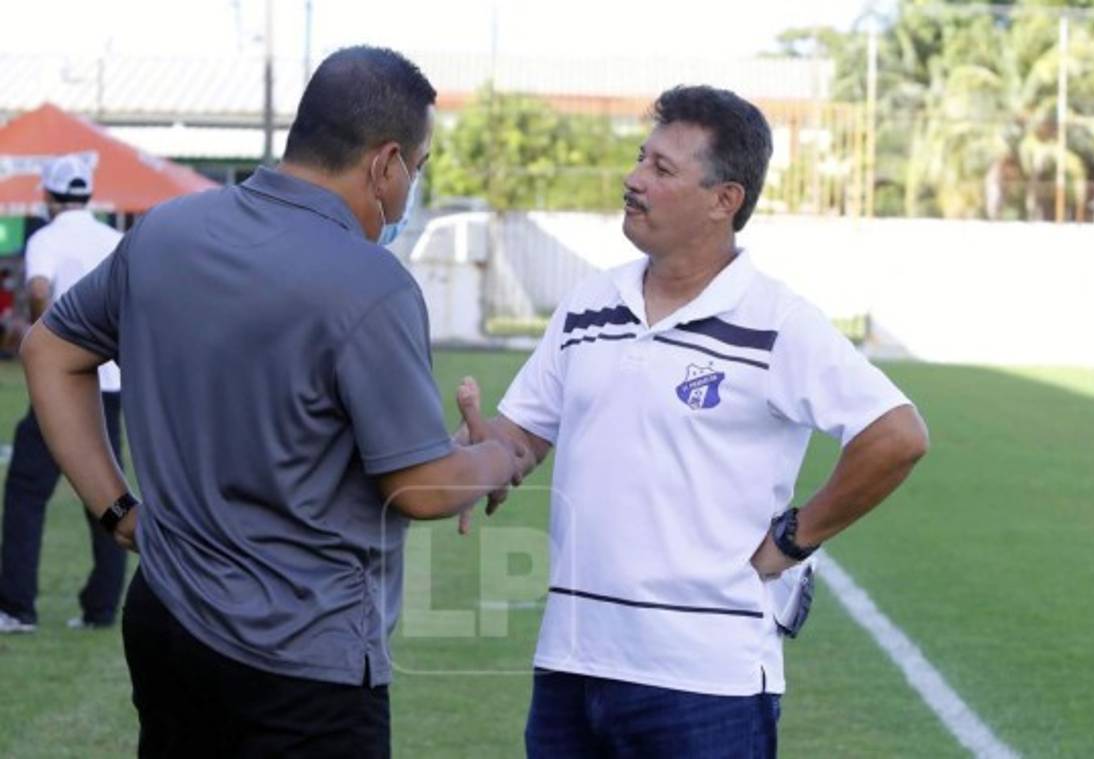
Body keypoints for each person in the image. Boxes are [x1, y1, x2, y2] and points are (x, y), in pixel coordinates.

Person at [20, 46, 521, 757]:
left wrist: (116, 510)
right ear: (384, 164)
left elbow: (49, 350)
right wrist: (496, 455)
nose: (412, 185)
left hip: (167, 617)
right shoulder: (370, 283)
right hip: (300, 656)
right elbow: (419, 484)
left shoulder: (164, 232)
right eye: (419, 164)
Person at [465, 85, 930, 757]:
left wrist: (794, 541)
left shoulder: (776, 322)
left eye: (661, 169)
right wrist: (476, 456)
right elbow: (520, 436)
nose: (634, 179)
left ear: (724, 200)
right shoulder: (588, 305)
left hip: (705, 683)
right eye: (639, 159)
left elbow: (897, 434)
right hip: (572, 661)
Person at [0, 155, 127, 633]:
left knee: (27, 492)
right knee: (108, 492)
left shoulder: (46, 239)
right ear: (89, 194)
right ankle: (101, 606)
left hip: (64, 382)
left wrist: (43, 331)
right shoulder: (115, 240)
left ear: (50, 197)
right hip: (111, 380)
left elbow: (36, 288)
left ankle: (16, 605)